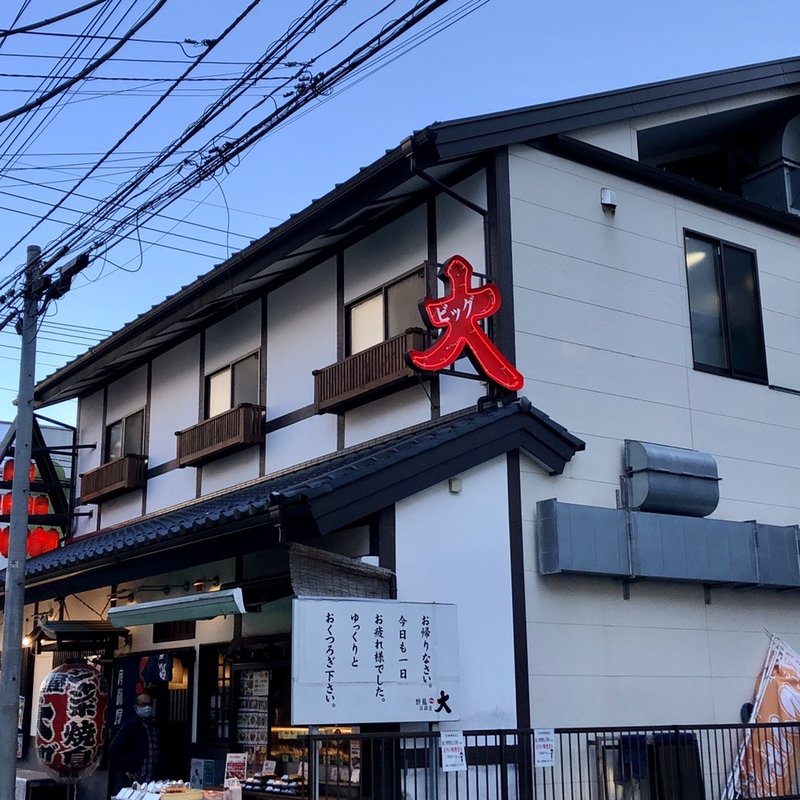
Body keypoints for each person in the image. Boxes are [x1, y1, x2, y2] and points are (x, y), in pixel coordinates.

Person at [109, 692, 161, 795]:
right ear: (136, 707)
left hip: (152, 780)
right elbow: (113, 749)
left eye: (149, 704)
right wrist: (125, 770)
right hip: (133, 778)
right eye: (143, 704)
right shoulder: (129, 726)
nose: (146, 707)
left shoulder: (154, 727)